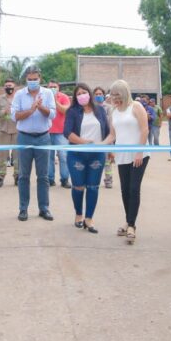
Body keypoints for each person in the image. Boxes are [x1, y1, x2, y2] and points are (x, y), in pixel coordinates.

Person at [104, 79, 150, 245]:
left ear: (124, 93)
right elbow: (112, 135)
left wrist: (139, 151)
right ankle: (128, 220)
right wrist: (100, 145)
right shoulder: (114, 112)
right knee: (124, 190)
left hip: (139, 155)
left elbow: (145, 129)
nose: (115, 99)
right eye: (112, 95)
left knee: (133, 188)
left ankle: (131, 226)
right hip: (122, 155)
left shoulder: (136, 107)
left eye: (118, 95)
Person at [63, 83, 111, 233]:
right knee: (78, 186)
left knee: (93, 187)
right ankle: (78, 214)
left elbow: (108, 132)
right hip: (77, 154)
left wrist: (109, 149)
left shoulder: (100, 110)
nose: (82, 95)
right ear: (75, 97)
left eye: (84, 92)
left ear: (89, 94)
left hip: (97, 155)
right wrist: (84, 142)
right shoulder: (72, 111)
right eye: (78, 94)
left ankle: (89, 219)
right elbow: (67, 132)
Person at [11, 65, 56, 222]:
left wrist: (40, 107)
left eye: (35, 79)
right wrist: (31, 110)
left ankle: (44, 209)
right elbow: (14, 116)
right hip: (24, 137)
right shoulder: (19, 94)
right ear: (26, 79)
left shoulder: (48, 93)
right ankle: (23, 209)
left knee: (43, 176)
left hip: (43, 138)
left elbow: (52, 114)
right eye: (29, 80)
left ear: (40, 78)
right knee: (24, 175)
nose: (32, 82)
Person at [0, 78, 19, 188]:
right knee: (2, 156)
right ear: (4, 87)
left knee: (18, 156)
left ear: (14, 87)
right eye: (7, 86)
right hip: (3, 130)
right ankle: (0, 177)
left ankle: (18, 176)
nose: (9, 88)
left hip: (17, 130)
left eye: (10, 85)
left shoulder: (19, 98)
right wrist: (4, 111)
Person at [47, 80, 72, 188]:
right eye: (50, 87)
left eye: (54, 87)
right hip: (47, 131)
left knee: (63, 156)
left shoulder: (64, 97)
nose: (52, 88)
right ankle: (50, 179)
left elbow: (65, 111)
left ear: (58, 88)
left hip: (61, 132)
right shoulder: (43, 96)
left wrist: (55, 100)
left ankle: (65, 179)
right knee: (49, 157)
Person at [93, 86, 114, 189]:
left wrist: (111, 139)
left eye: (100, 94)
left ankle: (108, 180)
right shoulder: (91, 107)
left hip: (106, 137)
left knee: (107, 161)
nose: (98, 96)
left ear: (103, 95)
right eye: (96, 94)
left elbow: (110, 123)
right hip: (95, 139)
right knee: (95, 161)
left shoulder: (108, 107)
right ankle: (94, 180)